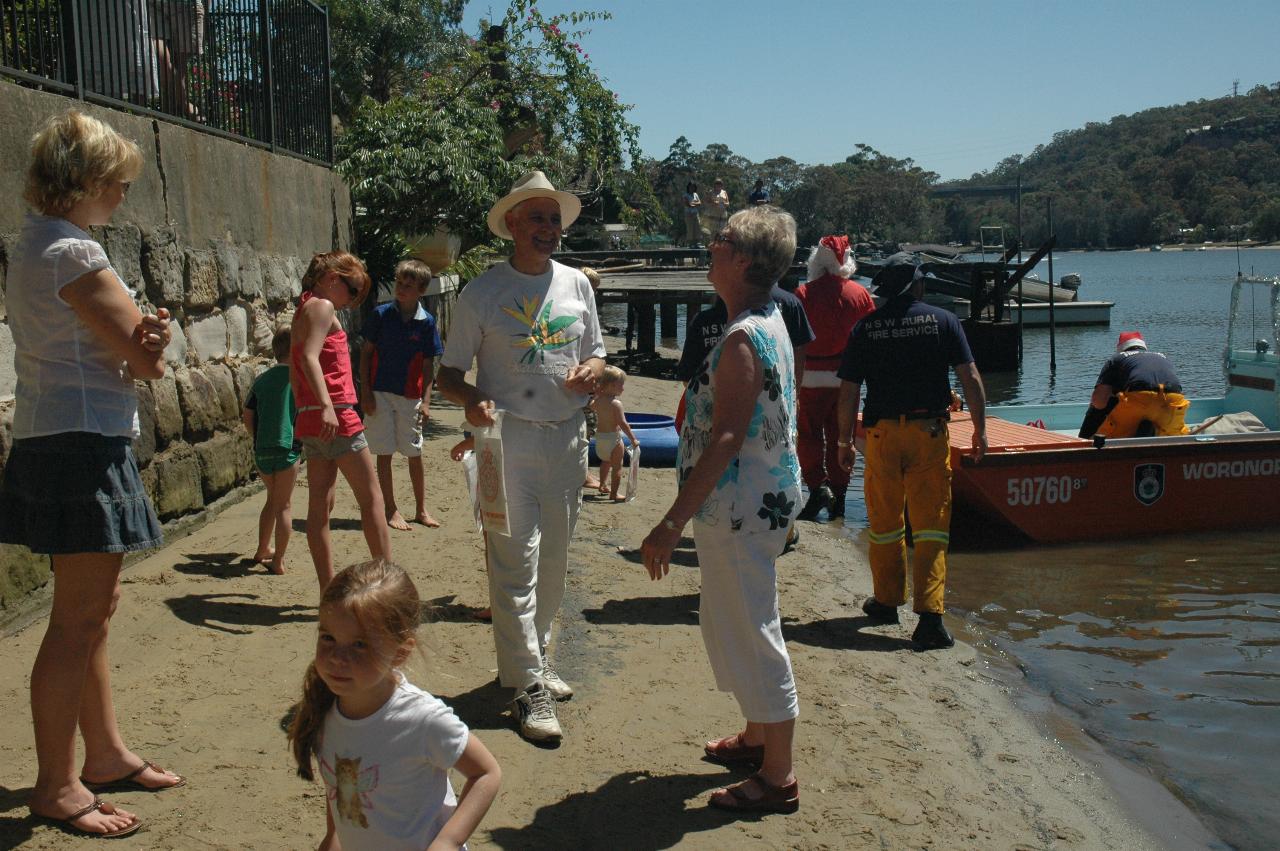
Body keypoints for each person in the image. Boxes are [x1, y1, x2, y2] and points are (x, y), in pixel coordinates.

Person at [0, 109, 183, 839]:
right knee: (77, 623)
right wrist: (154, 341)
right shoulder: (75, 251)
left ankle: (101, 753)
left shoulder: (33, 245)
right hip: (83, 442)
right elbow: (143, 361)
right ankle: (57, 782)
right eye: (119, 183)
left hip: (57, 434)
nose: (123, 196)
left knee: (89, 618)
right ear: (86, 181)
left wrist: (143, 339)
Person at [641, 206, 803, 815]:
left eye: (721, 240)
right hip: (755, 500)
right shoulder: (769, 318)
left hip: (740, 505)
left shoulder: (742, 337)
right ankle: (759, 737)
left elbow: (728, 437)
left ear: (743, 260)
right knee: (733, 617)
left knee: (754, 628)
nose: (710, 246)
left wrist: (669, 521)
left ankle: (779, 775)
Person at [437, 170, 605, 744]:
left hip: (567, 438)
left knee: (555, 561)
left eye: (554, 219)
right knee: (515, 564)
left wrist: (596, 372)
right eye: (537, 218)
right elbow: (448, 375)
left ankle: (536, 658)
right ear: (511, 224)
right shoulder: (481, 292)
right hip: (504, 443)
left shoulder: (577, 286)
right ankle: (526, 686)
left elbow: (599, 356)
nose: (549, 229)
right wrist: (474, 398)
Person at [288, 560, 501, 851]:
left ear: (400, 652)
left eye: (360, 645)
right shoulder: (325, 709)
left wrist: (449, 841)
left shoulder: (422, 719)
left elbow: (486, 773)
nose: (337, 657)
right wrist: (333, 839)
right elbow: (339, 787)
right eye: (328, 638)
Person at [835, 253, 987, 650]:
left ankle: (886, 602)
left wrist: (843, 442)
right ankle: (930, 619)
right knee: (932, 525)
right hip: (929, 433)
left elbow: (849, 389)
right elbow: (969, 376)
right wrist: (981, 430)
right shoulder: (943, 321)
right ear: (916, 285)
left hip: (882, 435)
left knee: (885, 524)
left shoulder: (865, 329)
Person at [291, 251, 390, 590]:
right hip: (336, 415)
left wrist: (311, 410)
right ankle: (386, 582)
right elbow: (308, 357)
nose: (351, 302)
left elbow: (297, 363)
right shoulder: (322, 306)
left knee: (320, 506)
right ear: (333, 278)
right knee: (372, 498)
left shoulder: (304, 306)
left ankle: (327, 589)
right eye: (352, 291)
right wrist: (328, 406)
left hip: (311, 419)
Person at [359, 259, 445, 531]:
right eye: (399, 283)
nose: (402, 289)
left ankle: (421, 509)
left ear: (421, 290)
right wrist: (366, 393)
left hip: (410, 395)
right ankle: (391, 509)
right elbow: (366, 354)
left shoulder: (426, 322)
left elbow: (428, 363)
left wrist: (427, 401)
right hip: (380, 391)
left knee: (414, 452)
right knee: (384, 453)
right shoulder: (381, 315)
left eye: (409, 285)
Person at [794, 235, 875, 522]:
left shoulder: (802, 294)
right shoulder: (860, 295)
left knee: (808, 435)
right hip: (846, 380)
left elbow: (794, 340)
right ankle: (840, 497)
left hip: (809, 379)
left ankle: (818, 486)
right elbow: (871, 337)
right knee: (843, 438)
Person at [243, 326, 300, 574]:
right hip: (287, 449)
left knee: (271, 500)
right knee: (284, 505)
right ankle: (278, 561)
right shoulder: (299, 380)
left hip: (262, 450)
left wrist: (256, 436)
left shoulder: (261, 380)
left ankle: (262, 548)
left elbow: (248, 414)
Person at [1079, 331, 1189, 439]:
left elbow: (1099, 402)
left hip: (1140, 399)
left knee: (1103, 403)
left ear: (1120, 348)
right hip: (1173, 402)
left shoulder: (1117, 358)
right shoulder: (1163, 357)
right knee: (1174, 435)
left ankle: (1083, 442)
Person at [591, 365, 639, 501]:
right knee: (617, 466)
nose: (623, 388)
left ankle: (602, 484)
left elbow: (589, 407)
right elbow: (623, 424)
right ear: (612, 386)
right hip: (614, 440)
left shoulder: (596, 401)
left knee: (605, 462)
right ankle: (614, 494)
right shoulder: (616, 403)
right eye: (621, 385)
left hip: (600, 440)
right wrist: (633, 439)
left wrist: (597, 393)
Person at [682, 181, 703, 247]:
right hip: (688, 214)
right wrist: (693, 204)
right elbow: (687, 204)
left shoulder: (695, 194)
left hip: (695, 213)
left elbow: (699, 203)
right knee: (690, 228)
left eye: (693, 187)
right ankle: (691, 243)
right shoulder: (685, 195)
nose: (692, 188)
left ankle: (697, 242)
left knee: (697, 227)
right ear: (688, 187)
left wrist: (693, 203)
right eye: (691, 187)